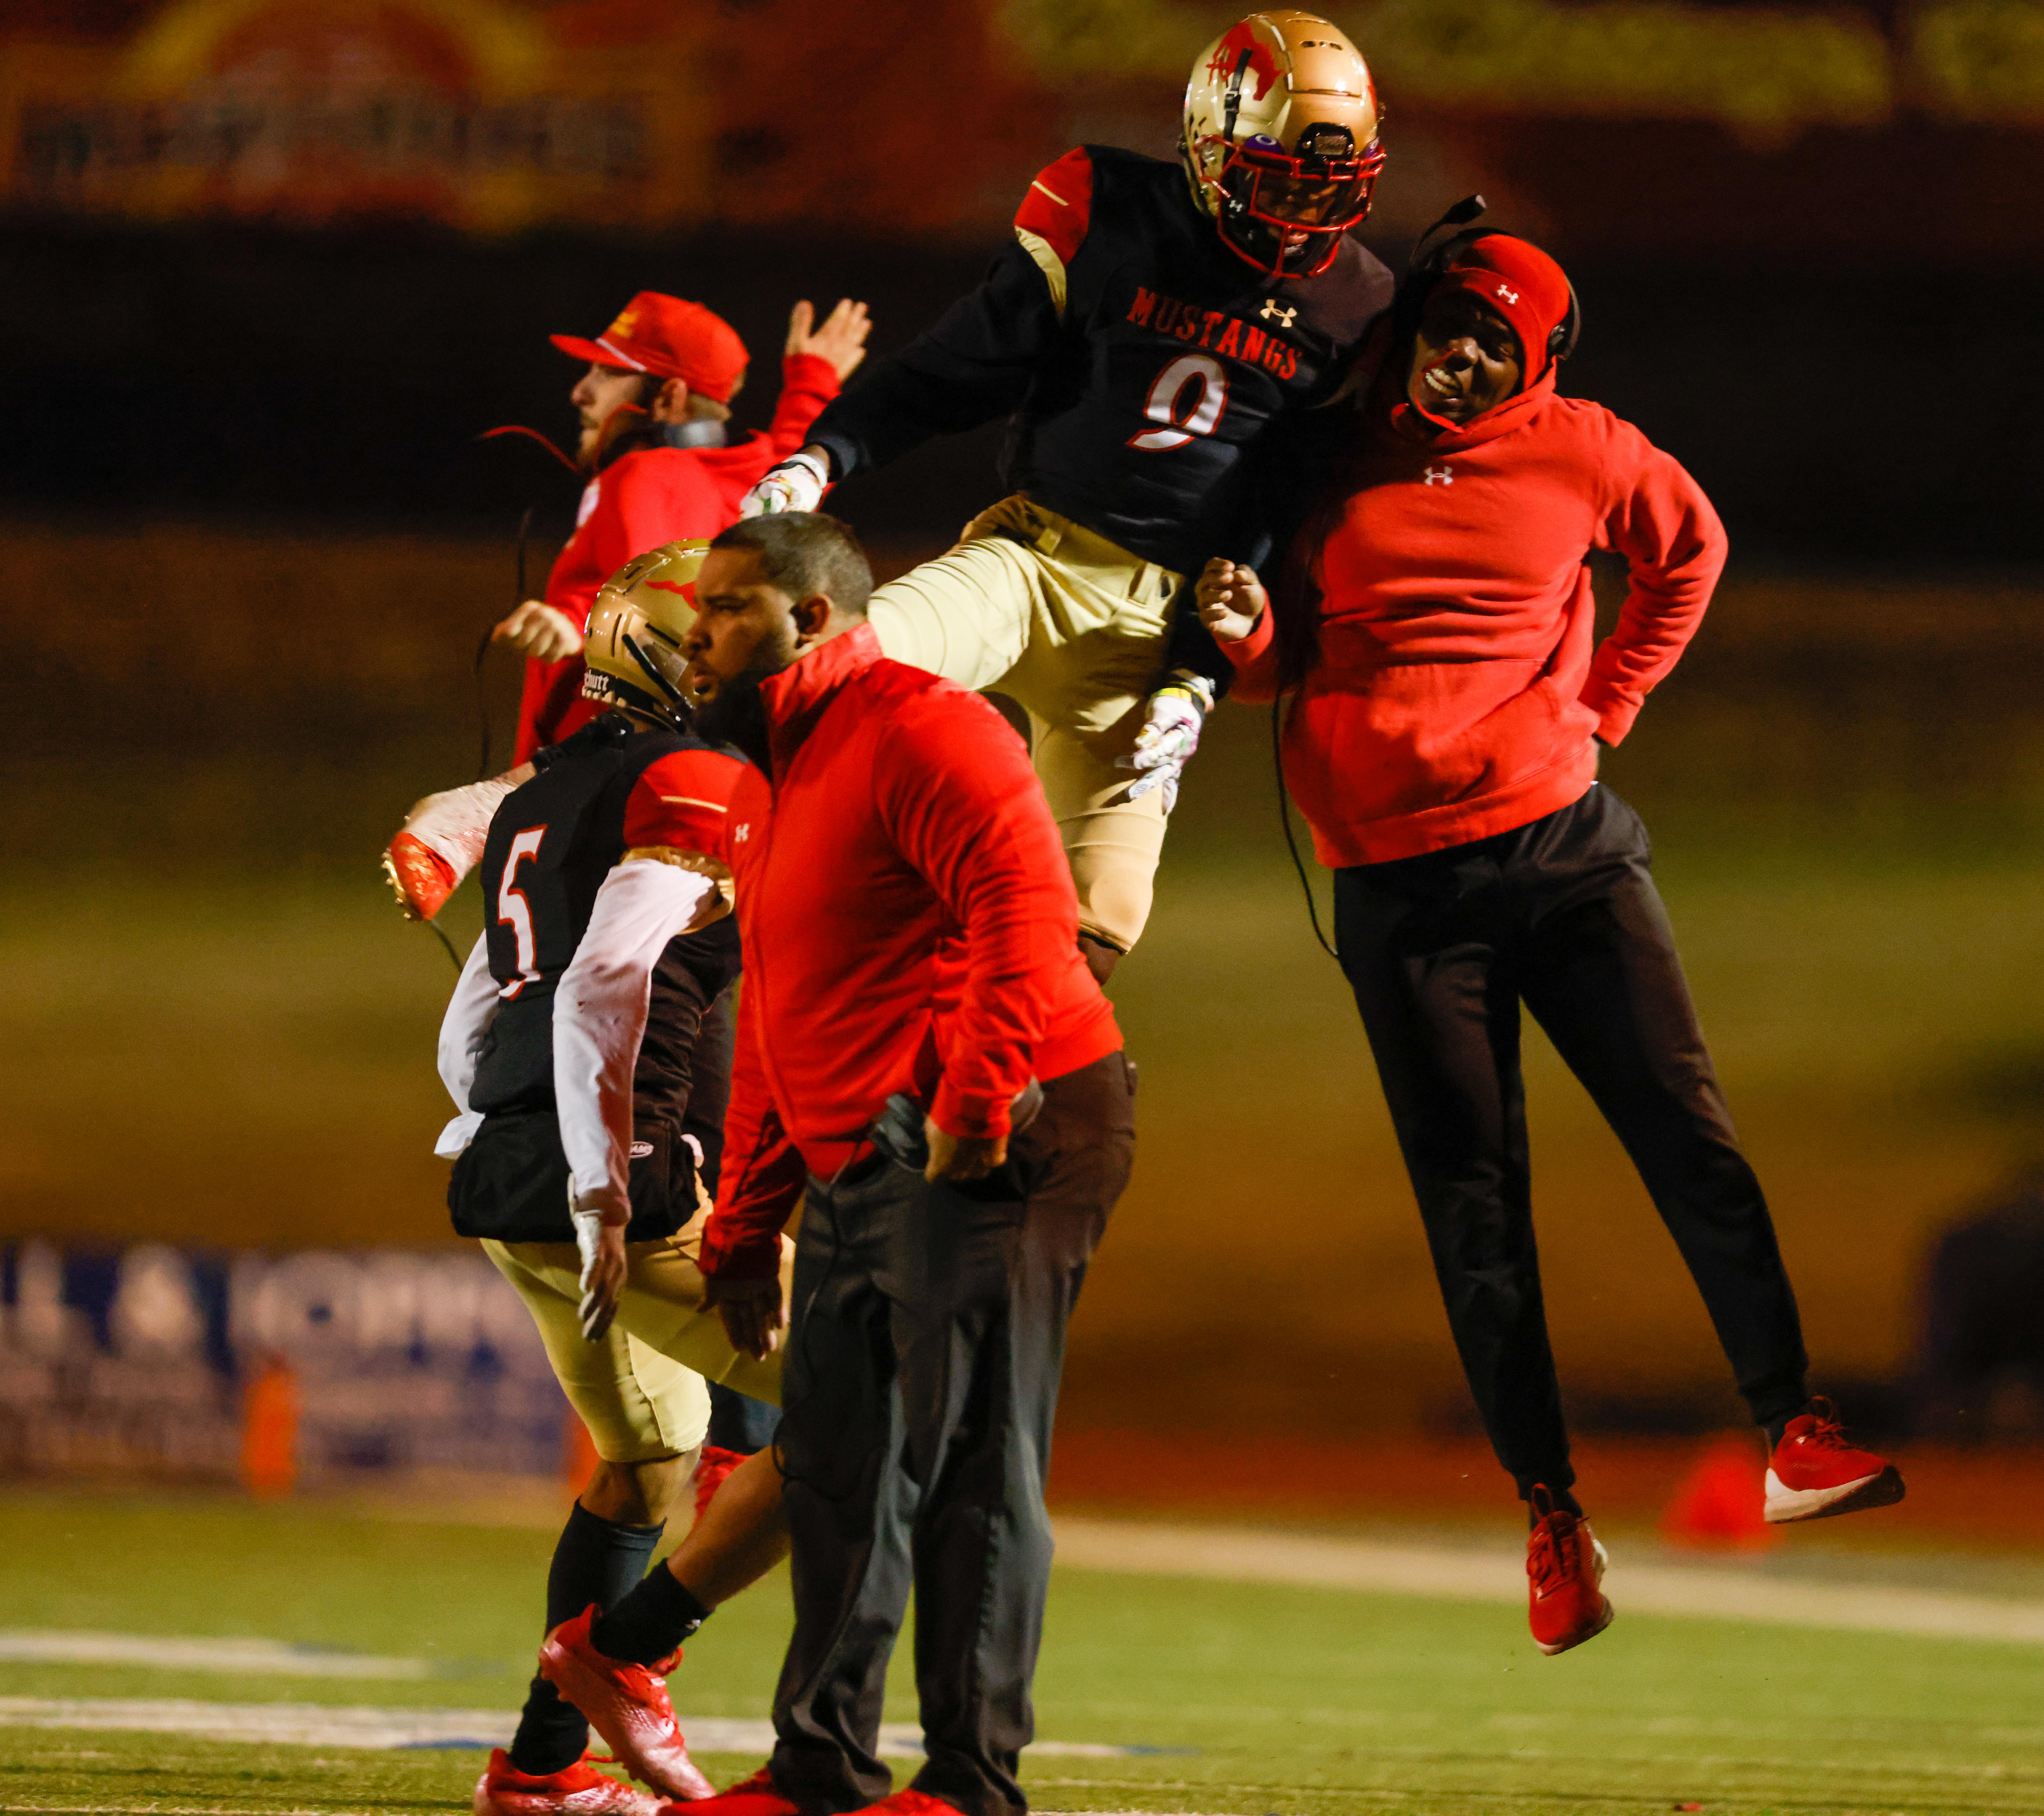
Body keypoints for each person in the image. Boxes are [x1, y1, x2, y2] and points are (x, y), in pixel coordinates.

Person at [1196, 231, 1905, 1656]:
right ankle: (1549, 1517)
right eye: (1445, 328)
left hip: (1557, 849)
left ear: (1538, 365)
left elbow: (1688, 553)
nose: (1457, 358)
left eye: (1490, 346)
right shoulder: (1327, 450)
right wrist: (1241, 635)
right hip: (1397, 888)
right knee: (1474, 1209)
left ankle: (1792, 1432)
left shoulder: (1584, 449)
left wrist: (1609, 706)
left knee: (1684, 1136)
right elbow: (1292, 656)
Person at [533, 513, 1135, 1816]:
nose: (698, 640)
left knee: (976, 1450)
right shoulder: (780, 777)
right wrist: (745, 1230)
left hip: (1013, 1123)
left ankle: (969, 1783)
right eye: (696, 620)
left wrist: (975, 1101)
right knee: (840, 1452)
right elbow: (782, 1028)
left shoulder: (924, 726)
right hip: (876, 1143)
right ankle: (818, 1767)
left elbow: (1023, 917)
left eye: (729, 612)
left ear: (815, 615)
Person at [738, 10, 1393, 977]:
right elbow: (960, 367)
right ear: (1208, 146)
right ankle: (680, 888)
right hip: (1032, 562)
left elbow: (1279, 508)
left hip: (1149, 630)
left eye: (1326, 192)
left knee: (1096, 925)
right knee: (826, 675)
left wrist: (1194, 678)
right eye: (1275, 184)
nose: (1300, 221)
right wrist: (825, 455)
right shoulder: (1107, 209)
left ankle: (957, 1111)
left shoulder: (1360, 305)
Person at [436, 543, 794, 1816]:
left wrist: (484, 1119)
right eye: (727, 627)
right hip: (615, 1183)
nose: (752, 650)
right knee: (870, 1396)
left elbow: (482, 994)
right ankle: (650, 1663)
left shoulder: (550, 790)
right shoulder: (695, 776)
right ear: (674, 649)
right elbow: (604, 984)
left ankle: (540, 1769)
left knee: (650, 1455)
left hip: (504, 1171)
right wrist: (603, 1181)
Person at [500, 288, 872, 765]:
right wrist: (811, 382)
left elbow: (655, 583)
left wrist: (574, 618)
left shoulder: (647, 474)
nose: (581, 392)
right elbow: (789, 471)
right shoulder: (754, 478)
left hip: (605, 775)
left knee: (431, 832)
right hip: (703, 770)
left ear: (669, 397)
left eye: (608, 373)